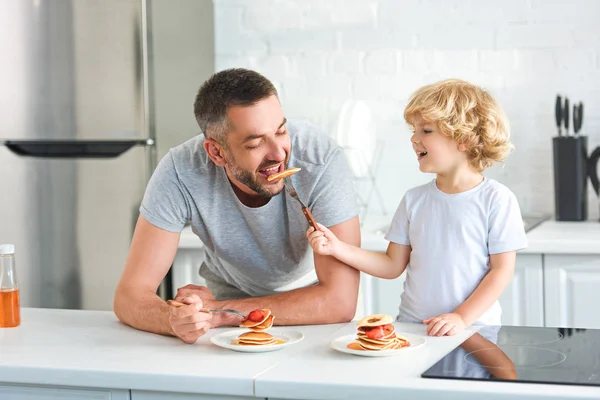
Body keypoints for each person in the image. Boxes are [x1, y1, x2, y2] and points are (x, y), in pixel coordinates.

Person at [114, 68, 361, 343]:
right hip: (227, 321)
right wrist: (174, 320)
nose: (279, 153)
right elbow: (129, 296)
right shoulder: (180, 171)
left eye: (280, 131)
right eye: (256, 143)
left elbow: (338, 301)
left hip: (314, 314)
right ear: (216, 152)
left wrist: (220, 311)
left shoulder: (319, 157)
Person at [307, 79, 527, 337]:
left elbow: (501, 271)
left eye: (426, 131)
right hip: (414, 329)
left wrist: (461, 317)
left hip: (474, 330)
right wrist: (337, 248)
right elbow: (391, 265)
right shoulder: (414, 200)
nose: (414, 138)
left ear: (464, 139)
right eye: (415, 130)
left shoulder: (497, 199)